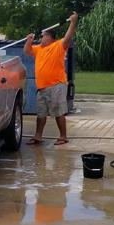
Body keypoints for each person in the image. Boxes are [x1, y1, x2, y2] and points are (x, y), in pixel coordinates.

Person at [24, 11, 78, 146]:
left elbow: (68, 37)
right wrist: (28, 41)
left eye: (43, 36)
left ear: (50, 37)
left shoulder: (58, 46)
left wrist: (73, 22)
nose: (41, 38)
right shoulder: (38, 49)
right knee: (41, 113)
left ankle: (63, 136)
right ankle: (38, 136)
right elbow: (27, 51)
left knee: (59, 112)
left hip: (56, 85)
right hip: (42, 87)